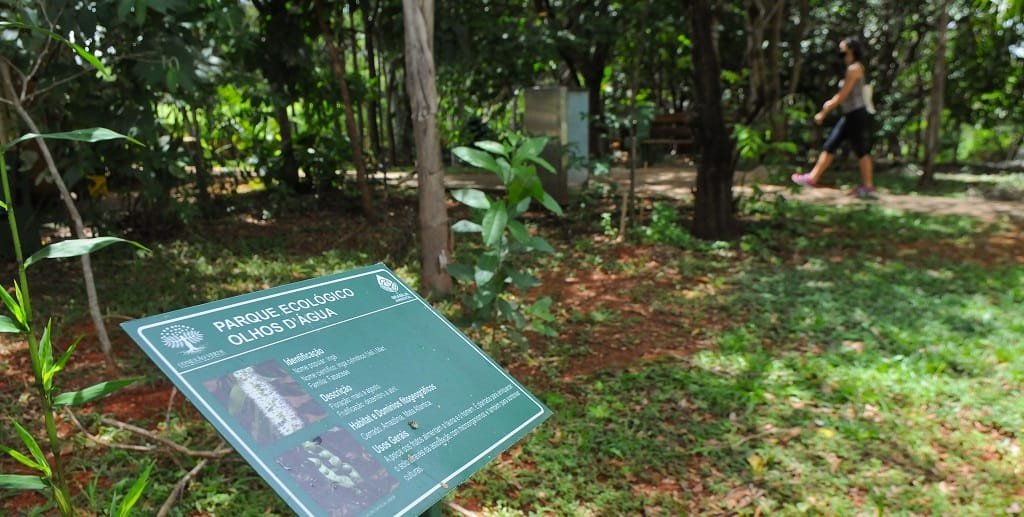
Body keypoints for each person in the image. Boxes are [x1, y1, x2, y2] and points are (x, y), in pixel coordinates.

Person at [792, 36, 876, 198]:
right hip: (850, 114)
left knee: (861, 150)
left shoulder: (854, 68)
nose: (840, 51)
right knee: (831, 144)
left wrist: (826, 109)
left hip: (856, 113)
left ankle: (868, 186)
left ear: (851, 49)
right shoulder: (851, 67)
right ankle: (812, 178)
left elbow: (843, 95)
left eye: (842, 48)